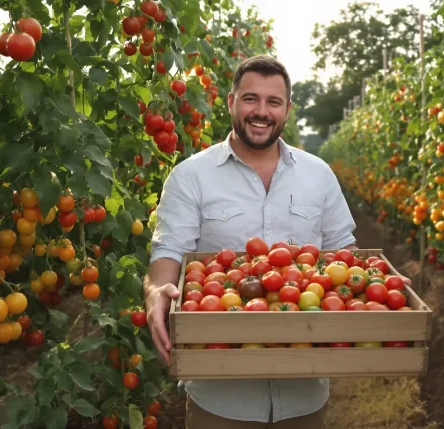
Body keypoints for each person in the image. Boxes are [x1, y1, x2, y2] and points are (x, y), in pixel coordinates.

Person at [143, 55, 408, 428]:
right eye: (251, 99)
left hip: (304, 394)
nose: (261, 111)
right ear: (232, 101)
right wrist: (156, 290)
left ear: (286, 110)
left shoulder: (319, 174)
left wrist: (380, 281)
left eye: (274, 102)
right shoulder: (190, 177)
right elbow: (169, 251)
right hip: (219, 398)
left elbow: (342, 250)